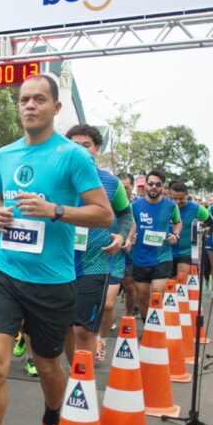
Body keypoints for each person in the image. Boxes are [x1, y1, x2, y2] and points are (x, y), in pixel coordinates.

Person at [0, 74, 112, 425]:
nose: (29, 106)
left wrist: (56, 210)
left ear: (55, 107)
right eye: (23, 100)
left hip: (52, 281)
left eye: (38, 99)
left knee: (48, 364)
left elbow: (103, 215)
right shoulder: (8, 155)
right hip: (4, 273)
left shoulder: (72, 157)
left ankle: (52, 422)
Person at [65, 125, 133, 364]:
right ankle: (76, 374)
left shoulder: (111, 182)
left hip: (95, 263)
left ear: (97, 149)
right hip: (58, 264)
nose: (80, 150)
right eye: (74, 145)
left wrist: (122, 235)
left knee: (83, 330)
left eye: (86, 146)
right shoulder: (56, 177)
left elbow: (125, 215)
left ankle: (83, 385)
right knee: (66, 328)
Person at [130, 170, 182, 321]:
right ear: (146, 185)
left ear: (162, 187)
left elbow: (178, 222)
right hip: (140, 257)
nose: (154, 187)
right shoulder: (135, 206)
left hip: (162, 257)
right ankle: (148, 327)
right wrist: (130, 236)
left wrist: (175, 235)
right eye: (151, 183)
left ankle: (158, 327)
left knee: (158, 293)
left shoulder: (171, 206)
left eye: (158, 184)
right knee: (143, 297)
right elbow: (129, 225)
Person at [169, 181, 210, 277]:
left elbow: (211, 224)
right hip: (166, 253)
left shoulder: (198, 209)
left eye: (181, 198)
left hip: (186, 252)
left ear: (187, 195)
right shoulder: (166, 207)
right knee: (168, 286)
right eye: (174, 198)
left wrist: (203, 235)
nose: (178, 202)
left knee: (181, 282)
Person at [118, 173, 137, 320]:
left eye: (126, 187)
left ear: (132, 187)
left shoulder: (135, 205)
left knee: (129, 285)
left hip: (129, 252)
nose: (124, 190)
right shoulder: (111, 200)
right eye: (121, 187)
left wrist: (129, 238)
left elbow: (133, 223)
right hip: (112, 248)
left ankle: (129, 314)